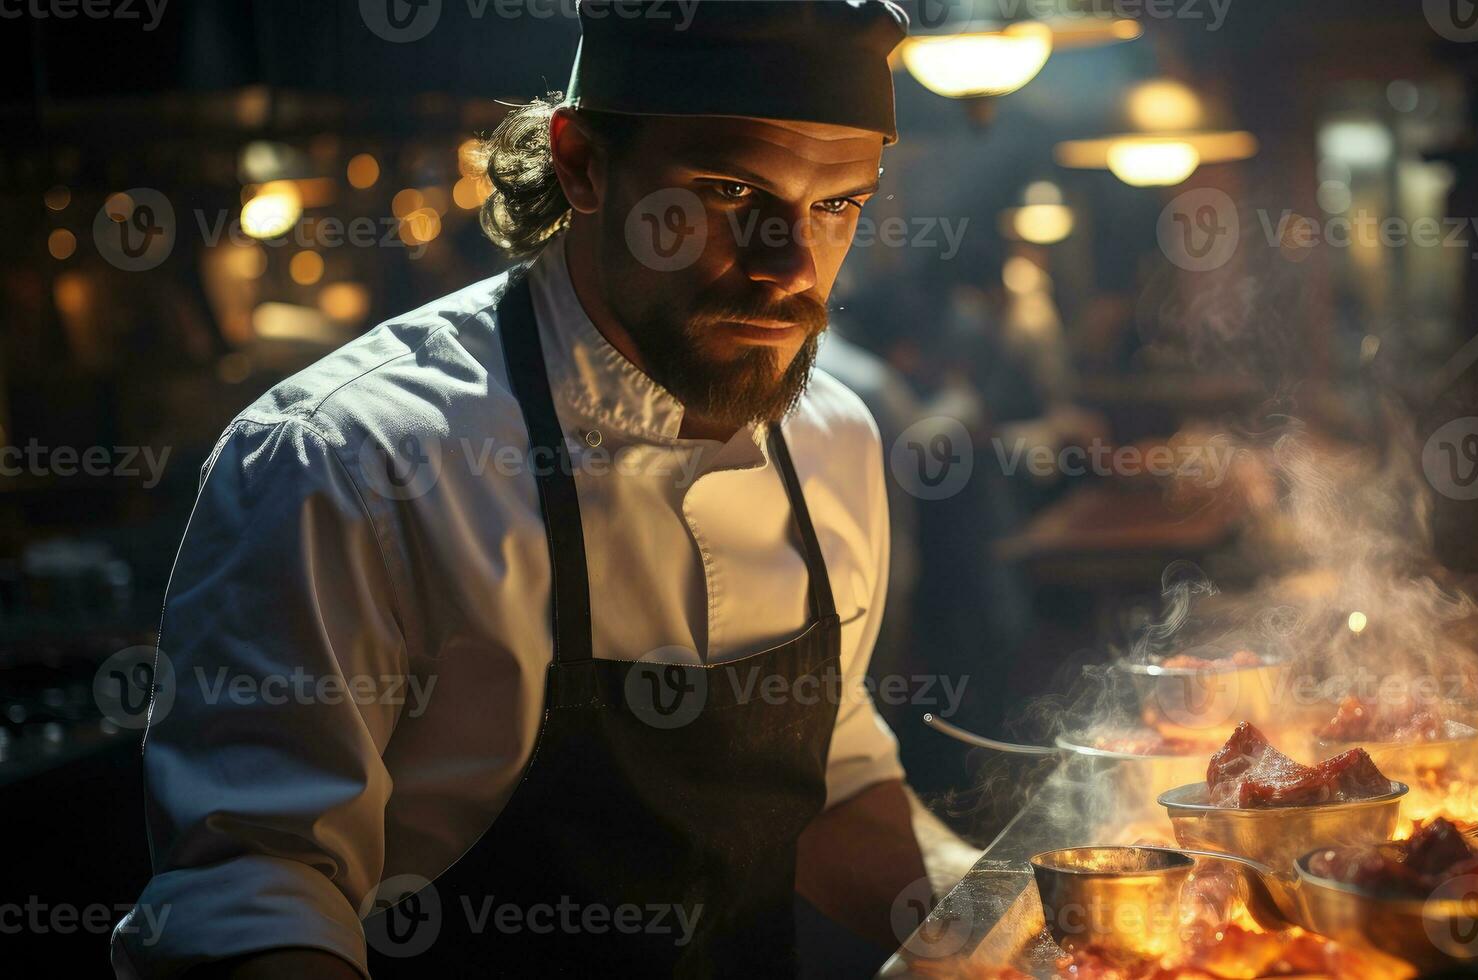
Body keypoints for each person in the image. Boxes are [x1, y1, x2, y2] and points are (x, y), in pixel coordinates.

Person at [112, 3, 947, 976]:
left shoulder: (832, 437)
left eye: (837, 203)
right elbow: (258, 891)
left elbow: (837, 779)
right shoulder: (350, 461)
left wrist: (1017, 928)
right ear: (583, 163)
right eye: (728, 189)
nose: (790, 264)